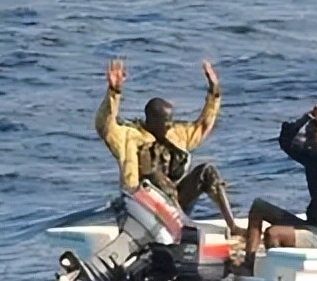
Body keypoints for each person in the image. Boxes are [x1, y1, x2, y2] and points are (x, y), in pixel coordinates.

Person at [95, 59, 241, 234]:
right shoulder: (128, 137)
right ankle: (182, 228)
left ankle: (232, 226)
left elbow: (202, 126)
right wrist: (114, 93)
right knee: (155, 175)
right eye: (166, 122)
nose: (170, 125)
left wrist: (214, 91)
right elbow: (104, 125)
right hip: (141, 205)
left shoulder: (175, 135)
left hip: (175, 205)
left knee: (207, 171)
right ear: (152, 121)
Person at [244, 106, 317, 257]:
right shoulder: (311, 158)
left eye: (312, 136)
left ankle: (280, 269)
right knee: (259, 207)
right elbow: (285, 140)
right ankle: (249, 262)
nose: (308, 141)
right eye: (307, 136)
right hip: (312, 226)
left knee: (273, 234)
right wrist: (305, 119)